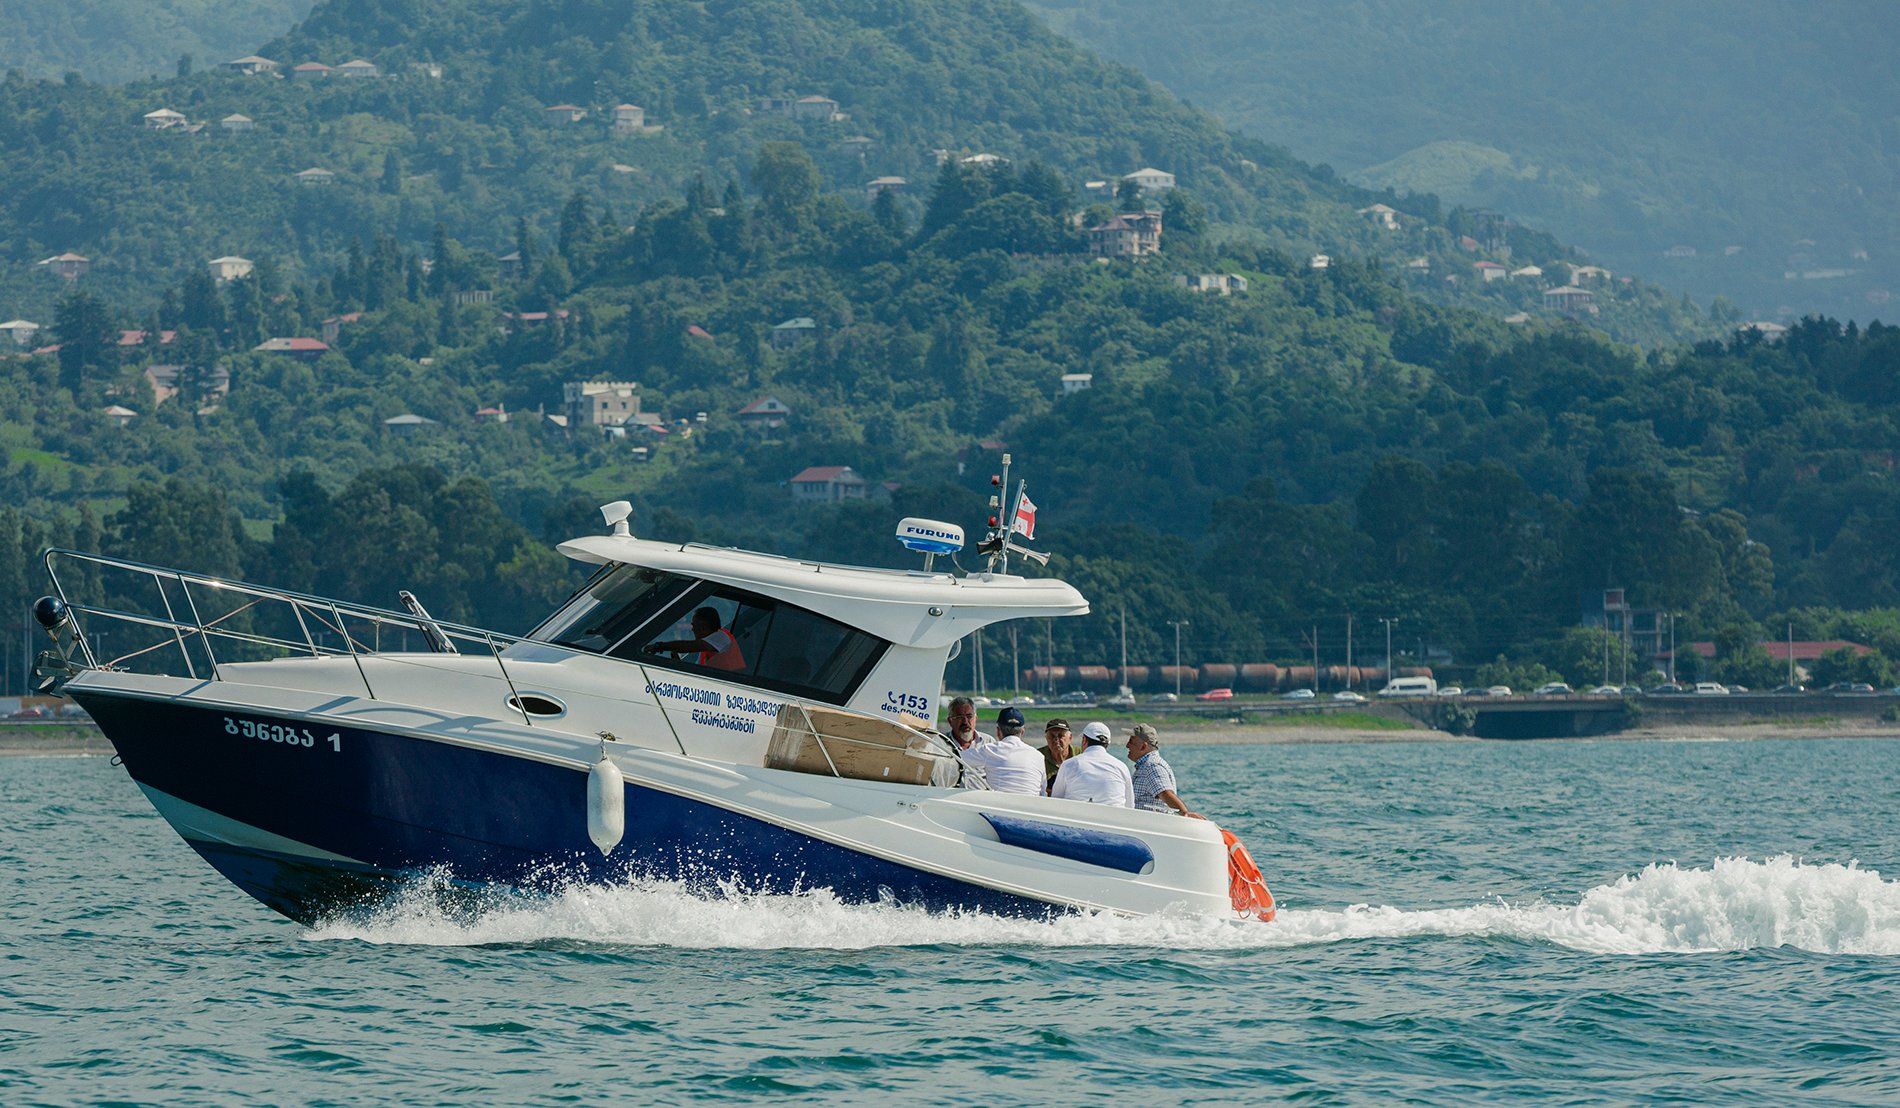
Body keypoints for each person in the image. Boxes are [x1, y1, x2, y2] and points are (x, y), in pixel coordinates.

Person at [1125, 723, 1204, 819]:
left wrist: (1184, 813)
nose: (1127, 745)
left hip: (1150, 823)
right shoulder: (1147, 765)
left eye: (1131, 741)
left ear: (1143, 747)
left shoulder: (1152, 765)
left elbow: (1165, 793)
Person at [962, 707, 1045, 795]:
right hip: (1032, 803)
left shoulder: (990, 750)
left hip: (1000, 803)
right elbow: (1043, 792)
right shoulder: (1039, 756)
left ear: (998, 731)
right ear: (1022, 732)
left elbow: (957, 759)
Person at [1050, 721, 1133, 807]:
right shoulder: (1122, 767)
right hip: (1115, 815)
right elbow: (1130, 805)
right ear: (1107, 744)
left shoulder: (1069, 765)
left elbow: (1056, 801)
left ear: (1084, 740)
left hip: (1077, 814)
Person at [641, 606, 746, 671]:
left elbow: (687, 646)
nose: (692, 629)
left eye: (694, 625)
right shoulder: (709, 646)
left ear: (703, 627)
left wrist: (660, 646)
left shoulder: (721, 637)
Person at [1039, 718, 1074, 791]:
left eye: (1061, 736)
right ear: (1046, 738)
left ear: (1070, 738)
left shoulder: (1081, 755)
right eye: (1052, 736)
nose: (1056, 740)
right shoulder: (1038, 756)